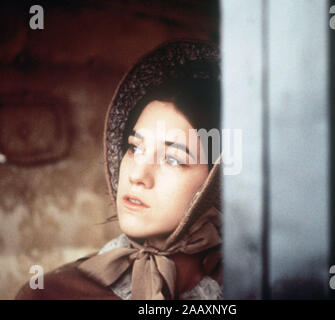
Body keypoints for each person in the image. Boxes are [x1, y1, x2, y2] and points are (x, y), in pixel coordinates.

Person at [15, 39, 222, 300]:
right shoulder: (52, 294)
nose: (137, 176)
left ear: (217, 183)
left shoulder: (256, 285)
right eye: (134, 148)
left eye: (173, 159)